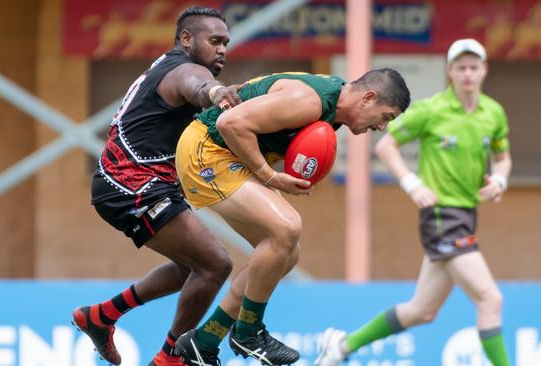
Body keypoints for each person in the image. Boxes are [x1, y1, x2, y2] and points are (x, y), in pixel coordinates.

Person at [173, 69, 411, 365]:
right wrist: (269, 176)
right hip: (206, 151)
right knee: (286, 227)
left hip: (230, 154)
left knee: (286, 254)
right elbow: (229, 123)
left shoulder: (333, 102)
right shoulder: (310, 100)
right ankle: (247, 331)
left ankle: (205, 340)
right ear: (368, 98)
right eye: (386, 117)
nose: (382, 127)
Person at [315, 39, 512, 366]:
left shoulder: (494, 113)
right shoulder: (430, 110)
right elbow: (386, 147)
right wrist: (412, 183)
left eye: (473, 67)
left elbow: (503, 159)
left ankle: (343, 345)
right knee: (490, 299)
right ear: (450, 71)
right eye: (460, 67)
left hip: (467, 213)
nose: (467, 74)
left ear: (484, 70)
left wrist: (500, 180)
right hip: (440, 215)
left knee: (423, 310)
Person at [71, 6, 244, 366]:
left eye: (226, 42)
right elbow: (197, 86)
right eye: (214, 41)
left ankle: (101, 316)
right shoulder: (185, 70)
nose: (223, 49)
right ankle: (169, 359)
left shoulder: (166, 65)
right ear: (186, 39)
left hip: (135, 184)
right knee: (215, 265)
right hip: (131, 185)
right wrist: (214, 93)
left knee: (191, 269)